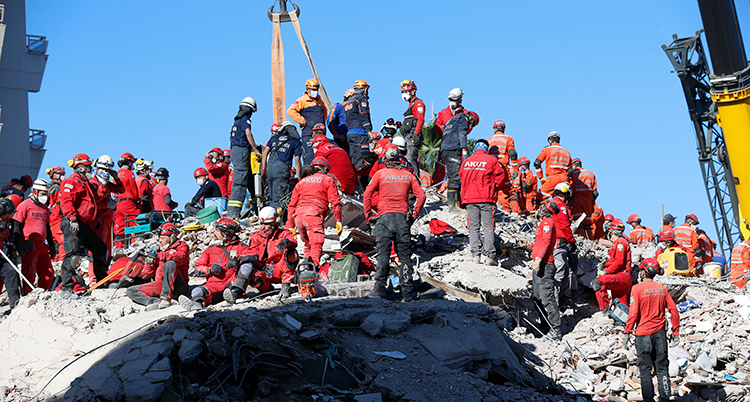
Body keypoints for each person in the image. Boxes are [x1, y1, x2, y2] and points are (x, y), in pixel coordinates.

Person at [364, 148, 426, 302]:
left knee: (383, 255)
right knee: (404, 257)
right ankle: (407, 293)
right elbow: (422, 195)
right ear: (400, 160)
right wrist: (414, 214)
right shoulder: (408, 175)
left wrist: (369, 215)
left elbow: (367, 194)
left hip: (384, 218)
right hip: (402, 219)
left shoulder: (380, 174)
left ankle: (379, 289)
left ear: (386, 161)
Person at [624, 258, 680, 402]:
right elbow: (673, 310)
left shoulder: (636, 289)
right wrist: (675, 332)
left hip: (643, 336)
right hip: (660, 335)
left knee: (645, 370)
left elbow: (633, 313)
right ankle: (665, 398)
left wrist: (627, 332)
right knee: (662, 368)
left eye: (641, 270)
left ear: (644, 272)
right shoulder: (662, 288)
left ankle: (648, 400)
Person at [59, 153, 109, 298]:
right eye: (88, 167)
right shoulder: (72, 182)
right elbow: (67, 201)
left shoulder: (84, 182)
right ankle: (66, 289)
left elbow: (97, 197)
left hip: (84, 224)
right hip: (73, 222)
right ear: (80, 168)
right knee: (72, 255)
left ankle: (101, 282)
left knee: (100, 249)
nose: (90, 170)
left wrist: (104, 184)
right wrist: (72, 218)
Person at [225, 207, 300, 302]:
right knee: (247, 267)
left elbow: (293, 241)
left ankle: (285, 287)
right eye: (261, 223)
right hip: (264, 271)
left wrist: (286, 241)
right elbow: (252, 254)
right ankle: (240, 292)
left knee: (292, 254)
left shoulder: (283, 233)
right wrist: (260, 266)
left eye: (266, 224)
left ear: (273, 223)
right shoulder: (256, 236)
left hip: (279, 269)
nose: (263, 227)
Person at [179, 217, 253, 309]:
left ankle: (235, 293)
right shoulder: (211, 249)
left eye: (217, 230)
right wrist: (209, 270)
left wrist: (238, 260)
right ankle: (196, 304)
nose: (214, 232)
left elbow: (253, 257)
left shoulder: (240, 247)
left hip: (231, 282)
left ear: (225, 233)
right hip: (214, 285)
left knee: (247, 266)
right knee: (197, 291)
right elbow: (197, 267)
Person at [285, 158, 342, 267]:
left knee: (307, 245)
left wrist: (291, 226)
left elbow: (291, 205)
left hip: (299, 217)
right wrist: (338, 221)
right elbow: (335, 202)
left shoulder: (301, 182)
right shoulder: (327, 180)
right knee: (316, 244)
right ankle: (312, 270)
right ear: (325, 168)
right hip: (314, 215)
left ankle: (305, 268)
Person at [459, 140, 505, 266]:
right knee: (488, 227)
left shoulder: (466, 162)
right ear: (486, 149)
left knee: (473, 228)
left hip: (469, 199)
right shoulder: (491, 160)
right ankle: (490, 257)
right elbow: (501, 176)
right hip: (486, 198)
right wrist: (493, 187)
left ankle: (476, 256)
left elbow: (461, 177)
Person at [126, 223, 190, 310]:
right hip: (162, 285)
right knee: (131, 291)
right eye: (159, 238)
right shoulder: (158, 250)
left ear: (171, 238)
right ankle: (154, 302)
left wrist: (159, 255)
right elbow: (149, 274)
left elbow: (180, 257)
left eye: (162, 238)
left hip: (178, 287)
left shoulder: (182, 245)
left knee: (170, 263)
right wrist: (149, 263)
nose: (159, 241)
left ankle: (165, 299)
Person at [12, 179, 55, 293]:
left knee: (48, 273)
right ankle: (28, 297)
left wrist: (51, 245)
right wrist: (18, 244)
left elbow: (48, 228)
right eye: (42, 193)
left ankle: (43, 295)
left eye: (46, 193)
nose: (45, 196)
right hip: (29, 245)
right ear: (35, 191)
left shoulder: (45, 208)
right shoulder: (24, 205)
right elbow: (17, 225)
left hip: (42, 246)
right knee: (29, 273)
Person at [530, 204, 561, 340]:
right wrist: (530, 246)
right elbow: (541, 243)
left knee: (547, 297)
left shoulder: (548, 222)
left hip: (544, 265)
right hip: (539, 264)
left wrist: (538, 259)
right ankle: (545, 326)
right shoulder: (543, 223)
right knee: (537, 296)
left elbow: (547, 242)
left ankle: (555, 329)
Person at [228, 97, 261, 219]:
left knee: (249, 181)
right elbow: (248, 134)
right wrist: (256, 150)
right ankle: (233, 214)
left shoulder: (235, 122)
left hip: (235, 151)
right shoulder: (245, 119)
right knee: (240, 183)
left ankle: (258, 211)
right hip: (242, 150)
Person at [441, 108, 478, 213]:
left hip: (445, 149)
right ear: (471, 118)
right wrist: (464, 150)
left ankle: (455, 203)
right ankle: (453, 206)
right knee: (455, 177)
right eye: (472, 125)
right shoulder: (464, 118)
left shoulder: (451, 121)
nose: (470, 127)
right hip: (453, 149)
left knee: (453, 176)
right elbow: (462, 134)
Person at [545, 183, 576, 306]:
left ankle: (562, 300)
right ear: (567, 193)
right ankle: (554, 304)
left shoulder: (551, 203)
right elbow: (565, 226)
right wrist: (572, 241)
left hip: (551, 242)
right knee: (560, 271)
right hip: (558, 243)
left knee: (563, 270)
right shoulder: (561, 207)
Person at [261, 122, 303, 210]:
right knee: (280, 199)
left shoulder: (273, 138)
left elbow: (265, 154)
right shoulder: (295, 142)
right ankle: (278, 220)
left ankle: (271, 216)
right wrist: (299, 178)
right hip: (281, 171)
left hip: (270, 169)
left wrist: (263, 170)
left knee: (272, 196)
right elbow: (297, 161)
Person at [591, 219, 632, 310]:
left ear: (611, 232)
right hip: (623, 276)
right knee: (621, 305)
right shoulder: (620, 242)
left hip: (622, 275)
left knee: (598, 282)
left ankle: (605, 310)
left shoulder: (620, 242)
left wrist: (606, 271)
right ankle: (625, 321)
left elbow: (619, 261)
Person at [287, 78, 328, 166]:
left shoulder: (319, 101)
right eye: (313, 89)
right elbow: (290, 111)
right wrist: (302, 121)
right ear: (307, 89)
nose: (315, 91)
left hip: (321, 134)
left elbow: (325, 111)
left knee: (323, 156)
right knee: (310, 157)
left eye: (316, 89)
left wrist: (322, 123)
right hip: (308, 133)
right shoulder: (302, 101)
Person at [91, 155, 123, 256]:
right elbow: (93, 204)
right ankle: (93, 272)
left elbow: (121, 190)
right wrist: (107, 205)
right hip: (99, 221)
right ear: (97, 168)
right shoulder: (93, 183)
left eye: (108, 170)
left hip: (108, 221)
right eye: (103, 169)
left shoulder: (106, 183)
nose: (105, 172)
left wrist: (117, 178)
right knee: (97, 251)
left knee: (108, 252)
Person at [433, 88, 466, 184]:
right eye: (450, 100)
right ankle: (436, 187)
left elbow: (467, 128)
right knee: (439, 167)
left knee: (459, 168)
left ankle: (459, 188)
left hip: (458, 146)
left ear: (460, 100)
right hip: (445, 145)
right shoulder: (442, 113)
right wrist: (449, 130)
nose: (452, 102)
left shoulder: (464, 114)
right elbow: (437, 127)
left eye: (454, 100)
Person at [312, 130, 357, 195]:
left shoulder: (321, 150)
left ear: (316, 144)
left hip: (335, 185)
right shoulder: (340, 149)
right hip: (351, 187)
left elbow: (315, 169)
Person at [344, 79, 373, 176]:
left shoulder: (349, 101)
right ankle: (361, 183)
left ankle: (354, 180)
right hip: (360, 133)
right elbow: (364, 115)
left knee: (353, 159)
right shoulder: (361, 99)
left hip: (350, 133)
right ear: (364, 89)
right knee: (363, 158)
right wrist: (368, 130)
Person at [534, 131, 572, 199]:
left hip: (553, 177)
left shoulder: (547, 149)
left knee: (538, 198)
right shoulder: (567, 152)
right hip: (564, 179)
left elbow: (537, 163)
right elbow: (571, 170)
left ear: (550, 140)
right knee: (559, 200)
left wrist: (541, 177)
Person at [114, 152, 140, 248]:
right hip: (128, 203)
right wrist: (137, 199)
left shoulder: (116, 174)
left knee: (119, 229)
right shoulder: (129, 173)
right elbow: (134, 191)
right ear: (129, 163)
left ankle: (118, 249)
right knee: (137, 224)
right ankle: (137, 247)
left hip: (118, 204)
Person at [399, 80, 425, 174]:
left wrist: (416, 134)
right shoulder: (411, 104)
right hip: (408, 136)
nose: (404, 94)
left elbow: (420, 119)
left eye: (406, 92)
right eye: (403, 92)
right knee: (407, 159)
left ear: (413, 91)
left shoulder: (418, 103)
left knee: (410, 159)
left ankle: (415, 182)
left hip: (412, 136)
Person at [0, 198, 21, 309]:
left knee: (11, 272)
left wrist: (12, 249)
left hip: (1, 258)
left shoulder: (5, 224)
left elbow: (7, 239)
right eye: (9, 213)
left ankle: (15, 305)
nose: (11, 216)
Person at [569, 158, 597, 238]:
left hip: (577, 200)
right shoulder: (591, 174)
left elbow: (571, 189)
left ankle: (582, 240)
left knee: (579, 221)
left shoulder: (574, 174)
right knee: (588, 223)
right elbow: (595, 193)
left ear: (573, 166)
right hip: (588, 201)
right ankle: (590, 241)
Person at [46, 166, 66, 261]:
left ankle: (51, 260)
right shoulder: (58, 188)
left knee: (51, 242)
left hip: (49, 218)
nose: (63, 176)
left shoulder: (48, 187)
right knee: (63, 241)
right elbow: (61, 204)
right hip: (57, 218)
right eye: (61, 174)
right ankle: (62, 261)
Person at [327, 88, 354, 152]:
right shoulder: (338, 107)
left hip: (350, 139)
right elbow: (330, 120)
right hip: (341, 140)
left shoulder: (352, 110)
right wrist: (336, 135)